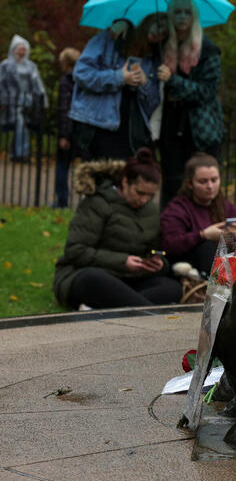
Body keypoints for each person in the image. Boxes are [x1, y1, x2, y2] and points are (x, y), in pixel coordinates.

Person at [53, 148, 180, 310]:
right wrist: (122, 262)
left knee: (171, 287)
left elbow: (154, 249)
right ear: (125, 181)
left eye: (150, 196)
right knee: (94, 279)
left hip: (131, 278)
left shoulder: (151, 210)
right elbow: (75, 250)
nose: (144, 200)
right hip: (89, 273)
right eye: (140, 193)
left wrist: (158, 263)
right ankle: (150, 315)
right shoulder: (98, 203)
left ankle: (107, 308)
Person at [157, 0, 226, 204]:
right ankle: (170, 230)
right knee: (171, 182)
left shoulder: (207, 49)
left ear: (194, 16)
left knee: (202, 184)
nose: (182, 17)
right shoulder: (163, 47)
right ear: (170, 16)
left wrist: (173, 81)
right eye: (177, 12)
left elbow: (208, 91)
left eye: (187, 12)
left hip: (199, 129)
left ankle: (204, 231)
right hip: (170, 123)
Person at [70, 15, 166, 161]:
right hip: (101, 126)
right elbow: (81, 73)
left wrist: (144, 83)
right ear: (147, 21)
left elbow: (152, 104)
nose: (160, 32)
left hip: (133, 134)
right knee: (103, 179)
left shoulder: (154, 59)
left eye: (166, 31)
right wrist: (119, 78)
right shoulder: (109, 39)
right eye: (158, 25)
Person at [160, 153, 236, 277]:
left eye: (214, 180)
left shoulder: (224, 204)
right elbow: (169, 245)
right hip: (188, 270)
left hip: (226, 269)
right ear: (190, 184)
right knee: (207, 247)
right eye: (203, 181)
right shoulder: (177, 208)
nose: (210, 186)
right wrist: (203, 235)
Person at [1, 34, 48, 162]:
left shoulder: (31, 66)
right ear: (14, 49)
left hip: (28, 101)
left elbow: (37, 83)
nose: (22, 51)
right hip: (12, 100)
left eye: (24, 48)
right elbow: (1, 83)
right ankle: (22, 153)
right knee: (19, 124)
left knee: (22, 126)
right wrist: (3, 100)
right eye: (20, 48)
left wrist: (42, 100)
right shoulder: (5, 65)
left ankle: (14, 153)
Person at [55, 47, 81, 207]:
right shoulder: (82, 79)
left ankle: (62, 200)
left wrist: (64, 134)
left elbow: (65, 108)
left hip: (69, 130)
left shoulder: (66, 81)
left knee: (62, 166)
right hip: (81, 127)